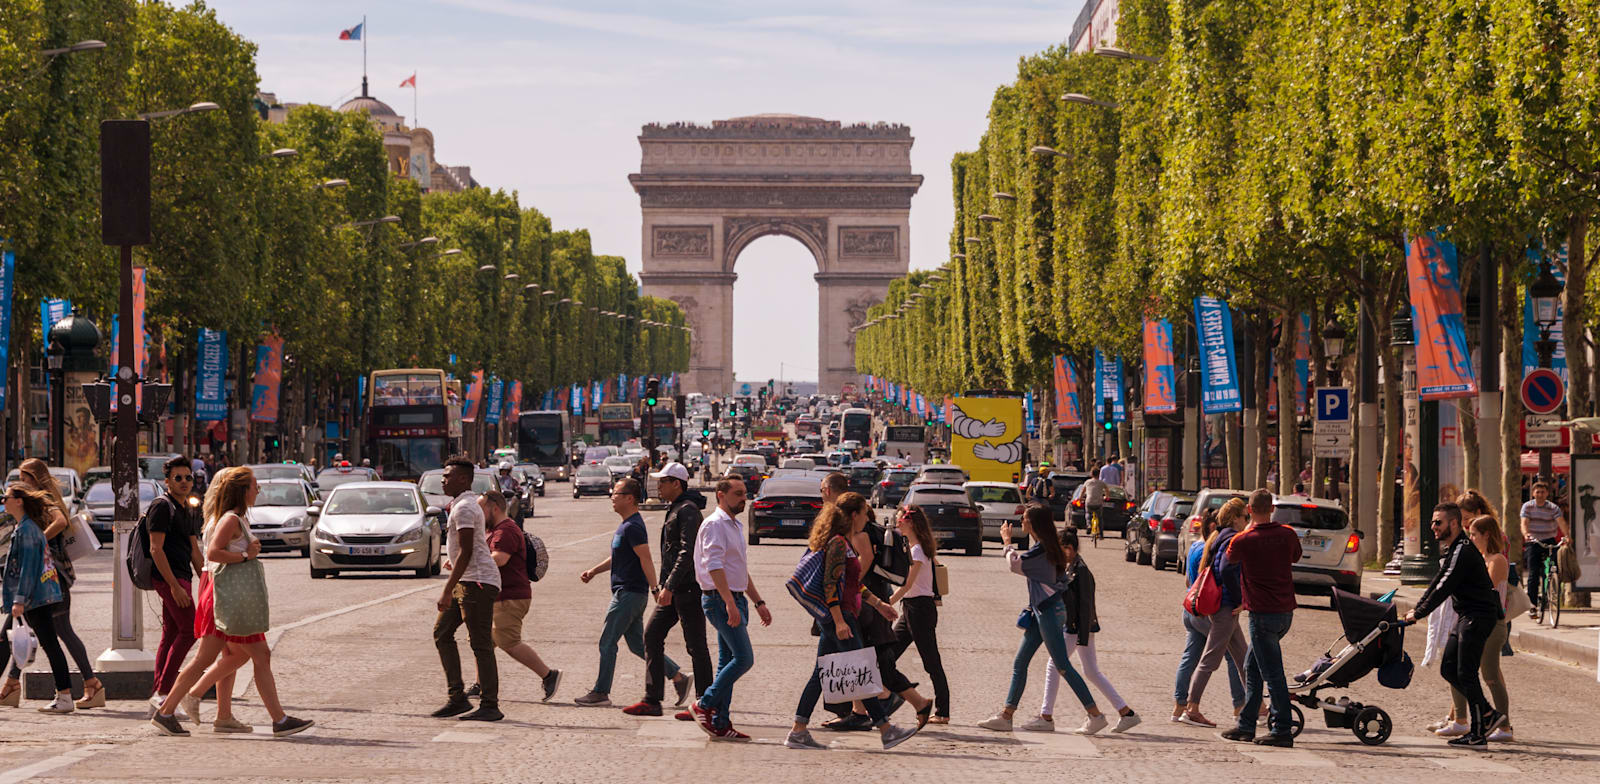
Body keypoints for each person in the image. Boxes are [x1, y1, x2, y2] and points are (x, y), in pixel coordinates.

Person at [150, 467, 313, 737]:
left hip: (227, 595)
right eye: (254, 486)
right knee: (235, 656)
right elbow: (214, 553)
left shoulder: (230, 518)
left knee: (232, 655)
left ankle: (202, 710)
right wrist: (247, 556)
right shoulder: (231, 520)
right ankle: (277, 720)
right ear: (242, 490)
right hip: (228, 597)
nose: (258, 491)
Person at [784, 492, 923, 751]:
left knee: (820, 676)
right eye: (864, 512)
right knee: (863, 672)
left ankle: (798, 731)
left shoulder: (844, 543)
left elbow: (852, 585)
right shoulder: (838, 544)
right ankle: (885, 728)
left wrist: (879, 604)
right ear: (853, 515)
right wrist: (838, 620)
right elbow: (830, 585)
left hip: (840, 616)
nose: (867, 517)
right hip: (840, 617)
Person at [978, 505, 1109, 733]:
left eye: (1025, 518)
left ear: (1034, 524)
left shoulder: (1043, 550)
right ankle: (1007, 715)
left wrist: (1006, 542)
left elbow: (1016, 564)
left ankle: (1095, 714)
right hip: (1043, 611)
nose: (1022, 521)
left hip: (1048, 612)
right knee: (1021, 662)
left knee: (1062, 665)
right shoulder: (1045, 547)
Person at [576, 478, 689, 707]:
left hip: (628, 594)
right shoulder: (626, 525)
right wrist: (594, 571)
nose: (612, 497)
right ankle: (678, 677)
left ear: (630, 498)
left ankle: (601, 692)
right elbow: (618, 557)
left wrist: (656, 588)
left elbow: (645, 558)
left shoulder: (634, 526)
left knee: (607, 642)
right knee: (638, 645)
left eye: (616, 493)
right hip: (629, 593)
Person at [1, 459, 103, 710]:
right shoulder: (35, 502)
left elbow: (60, 521)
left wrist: (39, 540)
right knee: (39, 631)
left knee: (44, 632)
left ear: (33, 478)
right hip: (47, 577)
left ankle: (87, 686)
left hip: (48, 576)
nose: (21, 482)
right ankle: (13, 684)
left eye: (24, 477)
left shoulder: (44, 498)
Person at [1404, 503, 1508, 746]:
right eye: (1432, 522)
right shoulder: (1454, 549)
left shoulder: (1462, 550)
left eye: (1437, 522)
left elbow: (1445, 586)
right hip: (1466, 615)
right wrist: (1417, 607)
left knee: (1467, 673)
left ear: (1453, 523)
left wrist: (1419, 613)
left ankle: (1479, 732)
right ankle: (1489, 714)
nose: (1433, 527)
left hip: (1478, 616)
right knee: (1449, 669)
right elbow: (1437, 581)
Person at [1025, 527, 1141, 733]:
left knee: (1054, 665)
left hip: (1077, 628)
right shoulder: (1072, 567)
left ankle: (1046, 715)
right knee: (1091, 671)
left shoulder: (1081, 571)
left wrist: (1082, 636)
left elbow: (1086, 605)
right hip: (1078, 627)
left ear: (1069, 548)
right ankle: (1126, 712)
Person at [690, 475, 774, 740]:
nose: (744, 498)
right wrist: (728, 602)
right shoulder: (714, 524)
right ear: (721, 495)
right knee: (744, 658)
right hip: (719, 599)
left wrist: (758, 602)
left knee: (728, 660)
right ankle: (704, 704)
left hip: (734, 597)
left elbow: (739, 569)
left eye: (745, 493)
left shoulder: (735, 526)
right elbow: (714, 566)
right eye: (738, 493)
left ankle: (721, 722)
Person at [1219, 489, 1302, 747]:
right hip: (1285, 612)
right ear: (1273, 509)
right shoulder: (1287, 534)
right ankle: (1246, 725)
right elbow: (1296, 556)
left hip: (1261, 613)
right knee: (1252, 667)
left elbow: (1229, 559)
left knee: (1273, 673)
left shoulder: (1245, 539)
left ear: (1249, 511)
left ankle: (1282, 729)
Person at [629, 462, 712, 719]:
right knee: (651, 636)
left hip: (686, 589)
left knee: (696, 646)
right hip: (675, 589)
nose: (658, 485)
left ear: (677, 483)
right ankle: (652, 699)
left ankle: (705, 703)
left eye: (663, 481)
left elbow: (688, 553)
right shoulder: (677, 508)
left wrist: (670, 586)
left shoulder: (687, 510)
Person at [431, 457, 503, 722]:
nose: (443, 480)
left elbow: (467, 551)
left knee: (480, 643)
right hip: (469, 579)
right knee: (442, 633)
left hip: (478, 582)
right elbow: (465, 549)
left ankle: (490, 705)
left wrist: (446, 590)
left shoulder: (463, 508)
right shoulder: (463, 504)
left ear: (462, 479)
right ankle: (457, 698)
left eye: (447, 476)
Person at [478, 490, 561, 703]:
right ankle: (480, 684)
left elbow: (499, 559)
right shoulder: (495, 529)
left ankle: (548, 675)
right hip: (500, 596)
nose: (477, 514)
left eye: (481, 509)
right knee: (483, 641)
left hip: (510, 597)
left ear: (494, 508)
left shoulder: (505, 530)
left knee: (509, 642)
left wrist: (469, 560)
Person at [0, 485, 74, 713]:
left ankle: (64, 696)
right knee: (46, 643)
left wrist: (19, 600)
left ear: (19, 501)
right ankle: (63, 695)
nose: (4, 501)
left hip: (34, 598)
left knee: (50, 644)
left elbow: (29, 569)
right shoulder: (24, 528)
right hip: (35, 597)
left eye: (7, 497)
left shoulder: (28, 531)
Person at [1180, 498, 1250, 727]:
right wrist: (1239, 599)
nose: (1246, 522)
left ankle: (1256, 706)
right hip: (1226, 608)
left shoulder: (1219, 536)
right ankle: (1191, 708)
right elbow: (1226, 569)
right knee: (1210, 660)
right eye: (1244, 517)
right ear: (1236, 518)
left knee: (1243, 658)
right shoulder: (1231, 537)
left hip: (1224, 608)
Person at [146, 455, 206, 719]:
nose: (184, 482)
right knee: (189, 631)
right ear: (167, 481)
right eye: (178, 478)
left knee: (171, 634)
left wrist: (206, 581)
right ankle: (164, 693)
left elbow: (194, 550)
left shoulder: (188, 508)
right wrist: (173, 586)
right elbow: (155, 548)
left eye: (188, 477)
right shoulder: (161, 506)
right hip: (169, 579)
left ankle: (158, 695)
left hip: (184, 577)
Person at [887, 506, 950, 724]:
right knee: (888, 655)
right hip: (911, 609)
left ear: (910, 523)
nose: (897, 524)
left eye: (900, 521)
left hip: (919, 609)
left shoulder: (917, 551)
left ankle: (942, 711)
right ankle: (885, 701)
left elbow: (906, 585)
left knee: (931, 662)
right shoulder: (916, 547)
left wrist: (884, 605)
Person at [1455, 515, 1514, 742]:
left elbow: (1483, 587)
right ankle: (1475, 719)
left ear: (1486, 535)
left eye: (1474, 534)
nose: (1471, 538)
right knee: (1473, 670)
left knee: (1491, 674)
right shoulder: (1480, 558)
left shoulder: (1497, 560)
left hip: (1493, 623)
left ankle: (1505, 725)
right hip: (1479, 621)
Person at [1519, 481, 1567, 621]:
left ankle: (1551, 588)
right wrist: (1526, 534)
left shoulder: (1553, 508)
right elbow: (1524, 523)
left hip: (1549, 539)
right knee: (1534, 572)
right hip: (1534, 541)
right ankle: (1532, 605)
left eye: (1543, 492)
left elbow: (1561, 522)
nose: (1540, 494)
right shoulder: (1527, 507)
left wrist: (1567, 536)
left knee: (1554, 568)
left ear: (1547, 494)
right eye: (1537, 492)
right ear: (1533, 493)